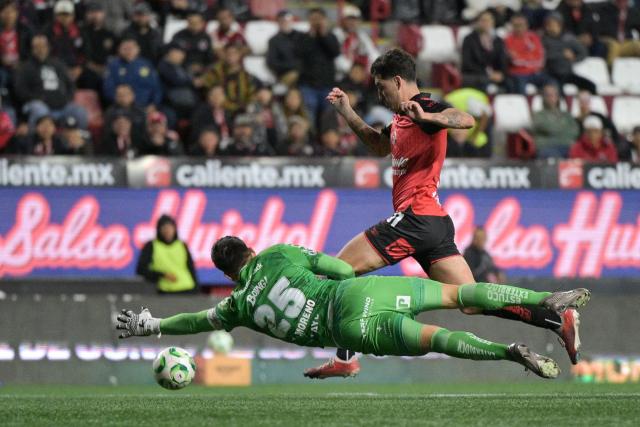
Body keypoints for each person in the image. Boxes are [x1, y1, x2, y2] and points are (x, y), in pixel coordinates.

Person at [305, 48, 580, 379]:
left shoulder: (426, 107)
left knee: (340, 269)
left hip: (416, 217)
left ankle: (345, 357)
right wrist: (348, 112)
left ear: (398, 81)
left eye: (382, 88)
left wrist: (427, 118)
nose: (380, 95)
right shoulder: (399, 118)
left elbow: (465, 120)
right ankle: (555, 318)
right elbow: (379, 146)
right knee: (473, 300)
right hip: (432, 225)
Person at [117, 238, 592, 380]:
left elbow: (197, 321)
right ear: (250, 249)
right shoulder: (281, 253)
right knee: (457, 295)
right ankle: (542, 300)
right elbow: (343, 272)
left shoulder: (237, 304)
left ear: (226, 274)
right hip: (355, 295)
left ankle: (510, 353)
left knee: (436, 342)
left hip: (350, 327)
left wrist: (153, 324)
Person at [14, 34, 88, 130]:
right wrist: (36, 98)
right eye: (37, 47)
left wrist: (67, 99)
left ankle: (80, 141)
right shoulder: (25, 68)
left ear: (48, 47)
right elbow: (20, 90)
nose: (40, 49)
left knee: (80, 112)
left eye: (43, 46)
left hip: (62, 105)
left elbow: (71, 85)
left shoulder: (58, 64)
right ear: (32, 49)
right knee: (39, 110)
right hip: (40, 104)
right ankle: (34, 140)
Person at [296, 8, 340, 126]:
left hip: (326, 84)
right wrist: (311, 36)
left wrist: (323, 35)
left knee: (327, 117)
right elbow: (300, 53)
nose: (316, 22)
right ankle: (311, 140)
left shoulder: (331, 36)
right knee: (309, 115)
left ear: (324, 20)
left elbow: (335, 52)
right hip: (308, 85)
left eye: (318, 19)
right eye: (313, 19)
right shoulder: (303, 37)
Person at [135, 215, 199, 294]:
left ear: (174, 229)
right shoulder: (151, 246)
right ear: (159, 230)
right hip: (165, 291)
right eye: (164, 228)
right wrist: (162, 275)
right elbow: (141, 269)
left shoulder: (182, 245)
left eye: (170, 227)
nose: (167, 231)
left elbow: (191, 268)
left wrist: (197, 289)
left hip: (187, 289)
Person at [542, 12, 596, 94]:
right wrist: (562, 54)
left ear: (559, 25)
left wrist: (573, 59)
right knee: (557, 89)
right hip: (551, 73)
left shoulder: (568, 38)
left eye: (552, 24)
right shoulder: (544, 40)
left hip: (568, 73)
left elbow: (583, 52)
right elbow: (544, 56)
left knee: (591, 86)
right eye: (548, 24)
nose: (549, 27)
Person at [103, 38, 163, 111]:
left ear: (138, 49)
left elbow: (156, 87)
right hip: (122, 107)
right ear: (119, 50)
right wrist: (121, 100)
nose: (129, 51)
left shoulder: (146, 64)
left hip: (147, 107)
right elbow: (108, 89)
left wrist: (154, 104)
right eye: (125, 48)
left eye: (131, 48)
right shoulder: (113, 66)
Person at [199, 42, 257, 116]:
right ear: (225, 55)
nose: (231, 56)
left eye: (234, 53)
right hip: (221, 109)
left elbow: (252, 95)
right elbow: (206, 84)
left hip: (241, 110)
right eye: (228, 53)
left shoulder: (246, 76)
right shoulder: (217, 70)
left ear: (239, 55)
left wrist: (247, 106)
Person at [461, 10, 509, 93]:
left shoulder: (498, 40)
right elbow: (467, 63)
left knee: (511, 81)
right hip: (475, 74)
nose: (486, 23)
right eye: (483, 20)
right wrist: (488, 74)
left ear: (493, 23)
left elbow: (503, 60)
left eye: (488, 20)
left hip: (494, 74)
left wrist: (501, 73)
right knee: (483, 81)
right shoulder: (469, 39)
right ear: (478, 22)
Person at [504, 13, 550, 95]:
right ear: (512, 26)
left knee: (552, 83)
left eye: (521, 25)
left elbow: (540, 58)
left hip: (535, 73)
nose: (519, 28)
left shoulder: (533, 37)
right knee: (520, 87)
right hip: (518, 73)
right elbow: (515, 61)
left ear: (526, 25)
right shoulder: (507, 40)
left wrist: (523, 58)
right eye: (516, 25)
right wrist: (530, 58)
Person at [532, 83, 580, 158]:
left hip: (567, 146)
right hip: (547, 147)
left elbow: (575, 131)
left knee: (579, 154)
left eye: (554, 95)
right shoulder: (538, 115)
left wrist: (555, 128)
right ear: (543, 97)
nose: (551, 98)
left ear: (557, 97)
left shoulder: (566, 115)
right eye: (548, 95)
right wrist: (563, 128)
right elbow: (548, 128)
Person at [78, 1, 117, 92]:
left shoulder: (110, 34)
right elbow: (79, 55)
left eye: (97, 12)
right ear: (86, 14)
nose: (94, 15)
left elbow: (116, 55)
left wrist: (106, 68)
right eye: (91, 12)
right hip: (88, 70)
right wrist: (93, 67)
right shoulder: (81, 33)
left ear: (103, 14)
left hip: (107, 70)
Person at [333, 4, 378, 80]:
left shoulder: (361, 35)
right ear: (343, 20)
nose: (352, 22)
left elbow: (373, 54)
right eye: (349, 19)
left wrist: (369, 70)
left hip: (358, 76)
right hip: (339, 76)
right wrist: (352, 70)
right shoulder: (336, 35)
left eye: (355, 19)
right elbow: (336, 57)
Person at [170, 11, 214, 76]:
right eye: (191, 23)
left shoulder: (206, 37)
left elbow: (209, 57)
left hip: (202, 70)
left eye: (196, 23)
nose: (194, 25)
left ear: (202, 23)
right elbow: (174, 57)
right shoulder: (178, 36)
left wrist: (201, 67)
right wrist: (188, 66)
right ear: (187, 22)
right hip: (183, 70)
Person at [266, 10, 303, 87]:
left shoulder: (302, 37)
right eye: (282, 21)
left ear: (292, 21)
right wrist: (293, 66)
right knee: (298, 78)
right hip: (286, 73)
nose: (285, 23)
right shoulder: (274, 41)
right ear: (278, 23)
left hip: (304, 71)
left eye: (287, 20)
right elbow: (272, 63)